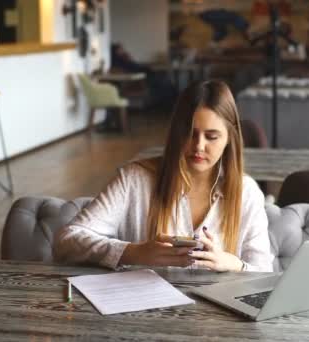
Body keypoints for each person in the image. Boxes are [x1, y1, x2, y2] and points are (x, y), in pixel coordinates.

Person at [53, 80, 273, 272]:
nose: (199, 146)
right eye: (189, 133)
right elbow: (67, 240)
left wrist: (233, 264)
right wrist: (132, 252)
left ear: (229, 140)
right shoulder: (134, 180)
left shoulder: (248, 192)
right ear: (176, 132)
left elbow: (264, 274)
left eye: (212, 137)